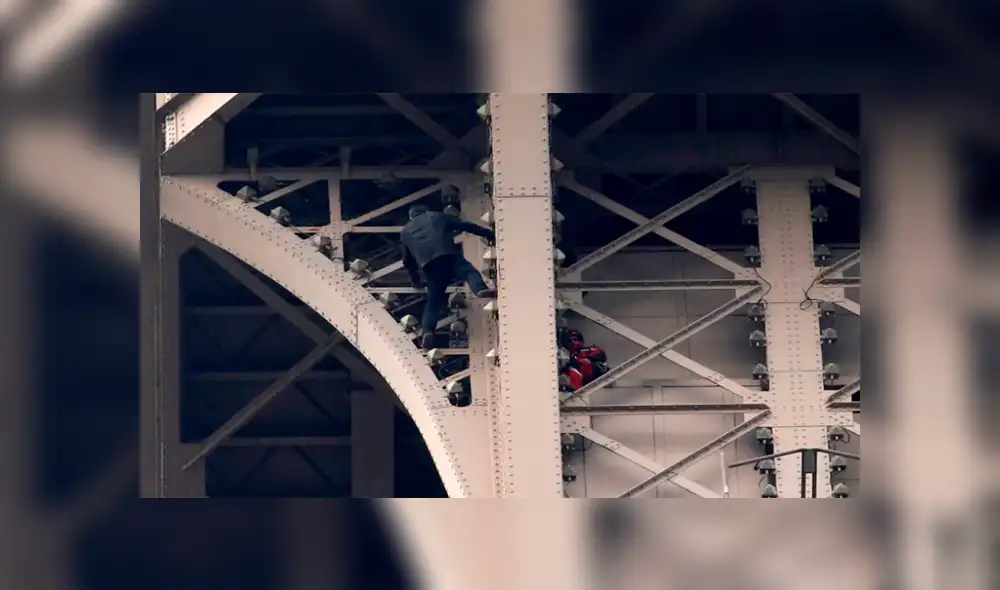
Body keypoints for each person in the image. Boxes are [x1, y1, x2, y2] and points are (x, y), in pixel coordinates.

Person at [401, 204, 497, 349]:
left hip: (429, 266)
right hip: (448, 255)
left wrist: (416, 281)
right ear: (425, 210)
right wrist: (489, 234)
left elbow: (407, 261)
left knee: (433, 302)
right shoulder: (435, 216)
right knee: (469, 272)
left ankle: (428, 331)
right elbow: (465, 226)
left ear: (410, 217)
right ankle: (480, 289)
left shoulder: (405, 231)